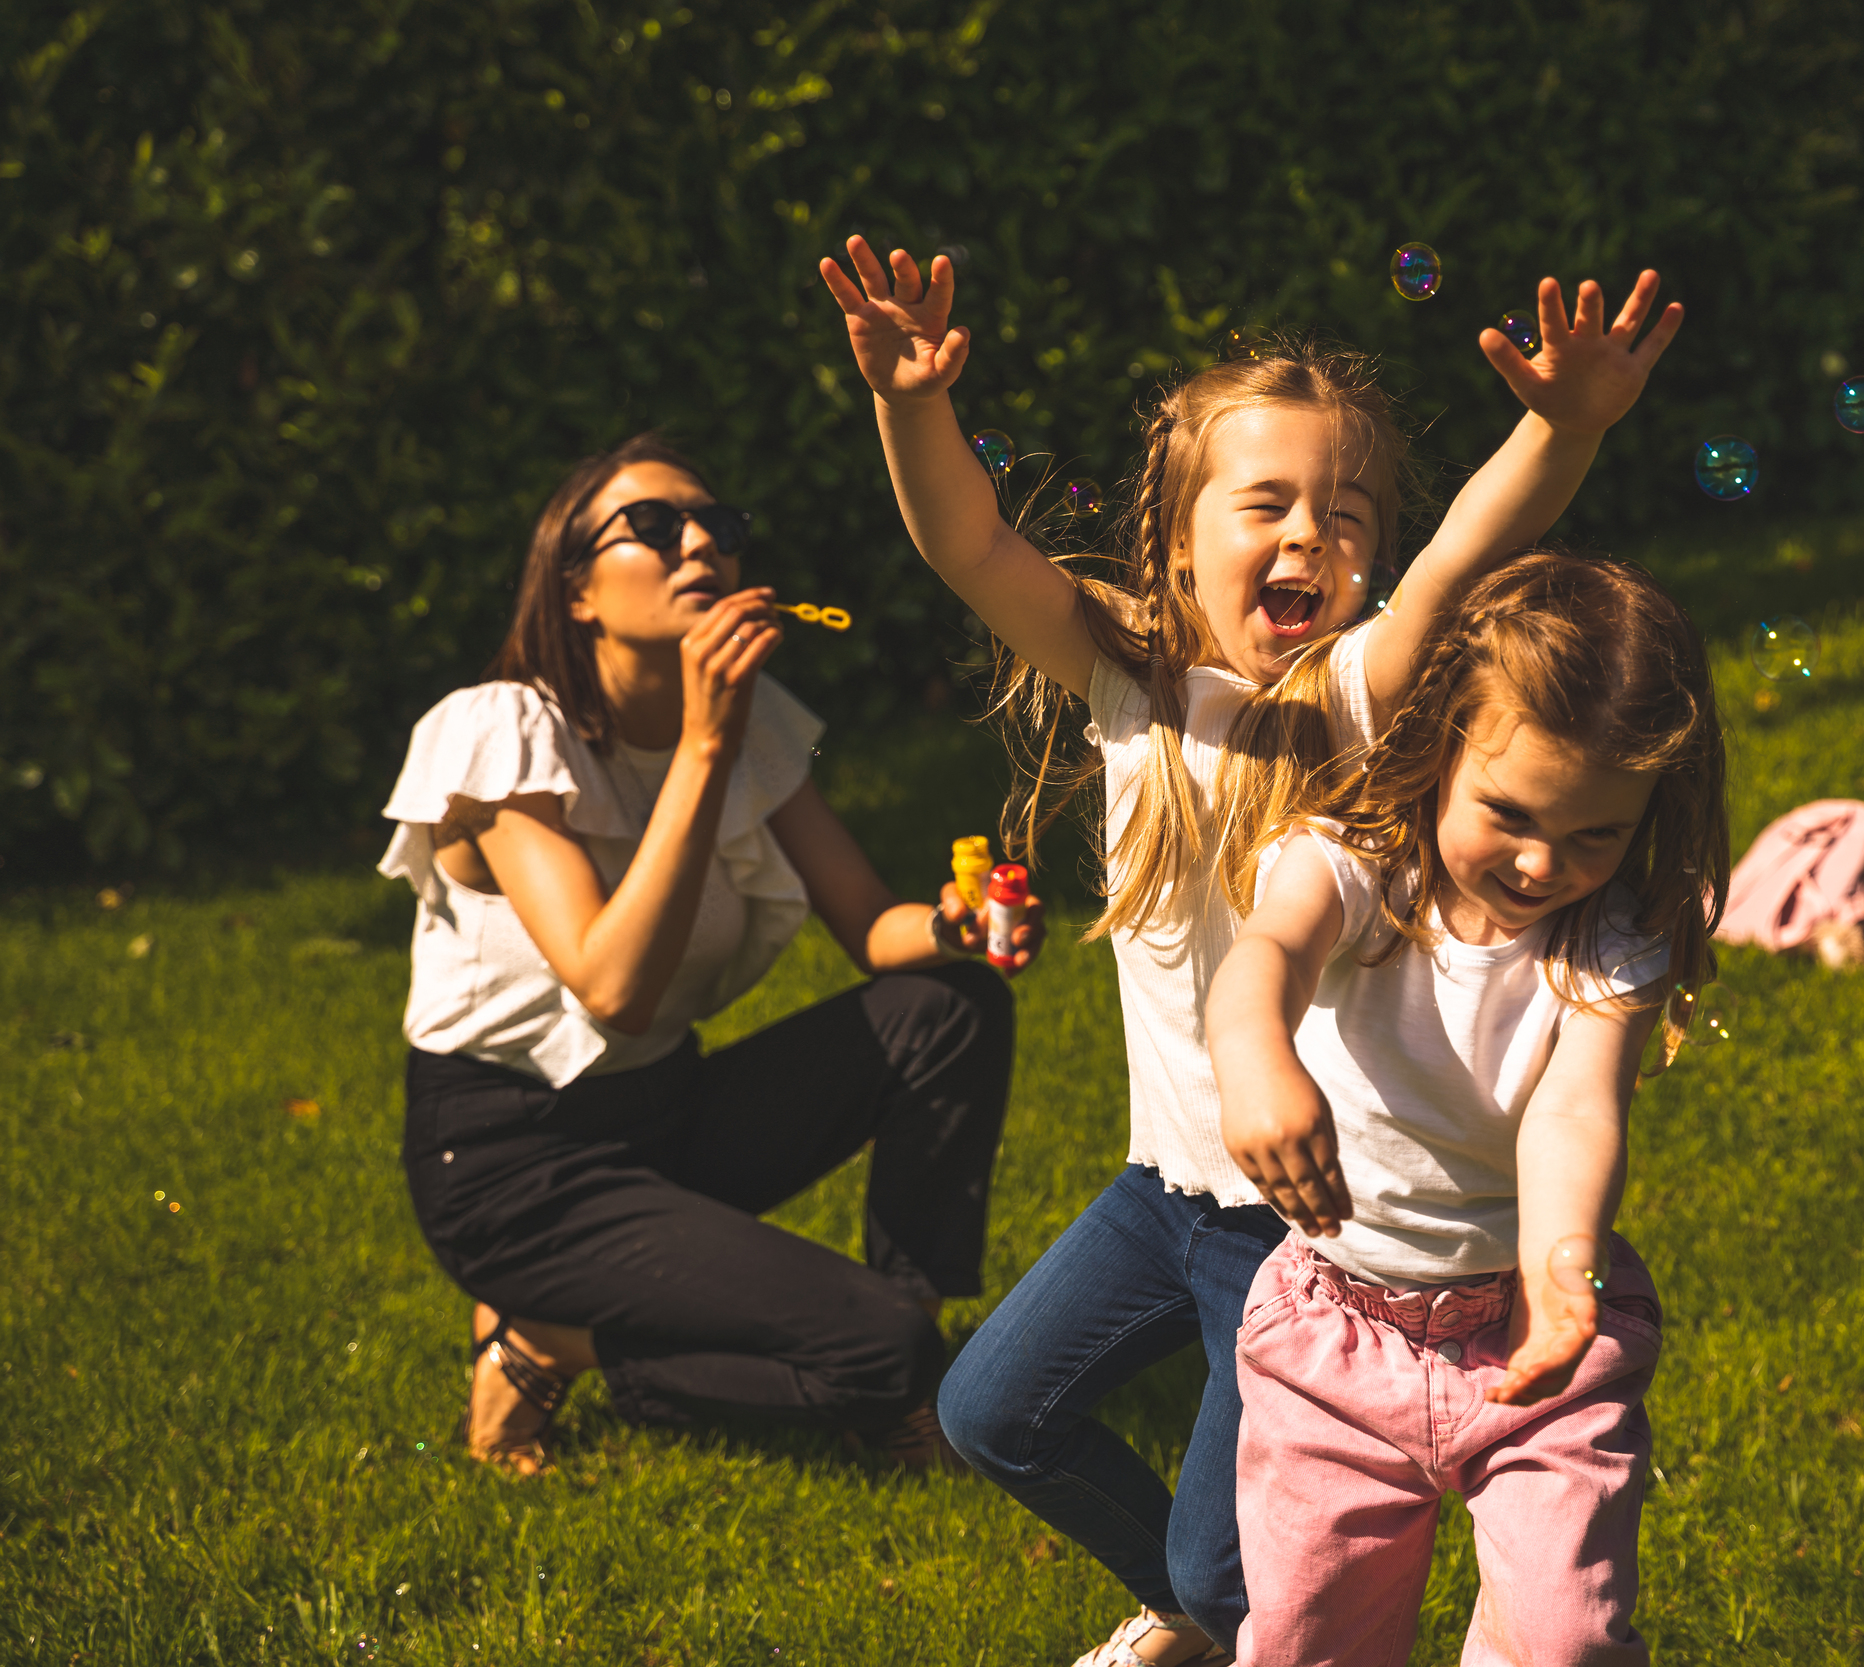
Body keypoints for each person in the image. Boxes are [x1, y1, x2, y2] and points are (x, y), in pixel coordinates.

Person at [822, 240, 1681, 1664]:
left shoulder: (1359, 688)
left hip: (1302, 1223)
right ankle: (1197, 1611)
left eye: (1345, 515)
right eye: (1267, 503)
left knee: (1244, 1564)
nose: (1309, 538)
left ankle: (1214, 1613)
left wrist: (1562, 424)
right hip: (1167, 1182)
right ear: (1176, 534)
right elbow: (966, 542)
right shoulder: (1121, 672)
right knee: (991, 1412)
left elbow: (1467, 543)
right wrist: (910, 403)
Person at [378, 433, 1043, 1475]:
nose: (698, 542)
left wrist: (957, 925)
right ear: (576, 590)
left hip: (667, 1116)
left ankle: (903, 1363)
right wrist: (700, 744)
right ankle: (545, 1339)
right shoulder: (498, 731)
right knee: (881, 1349)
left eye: (718, 527)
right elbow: (614, 986)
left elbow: (868, 921)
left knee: (950, 1003)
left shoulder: (753, 722)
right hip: (519, 1168)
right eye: (650, 526)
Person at [1205, 551, 1729, 1667]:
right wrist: (1252, 1056)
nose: (1545, 862)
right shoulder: (1350, 862)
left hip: (1532, 1339)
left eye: (1596, 832)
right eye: (1509, 811)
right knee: (1309, 1643)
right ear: (1439, 739)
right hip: (1334, 1341)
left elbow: (1576, 1107)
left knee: (1566, 1641)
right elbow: (1266, 955)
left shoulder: (1619, 928)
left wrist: (1559, 1265)